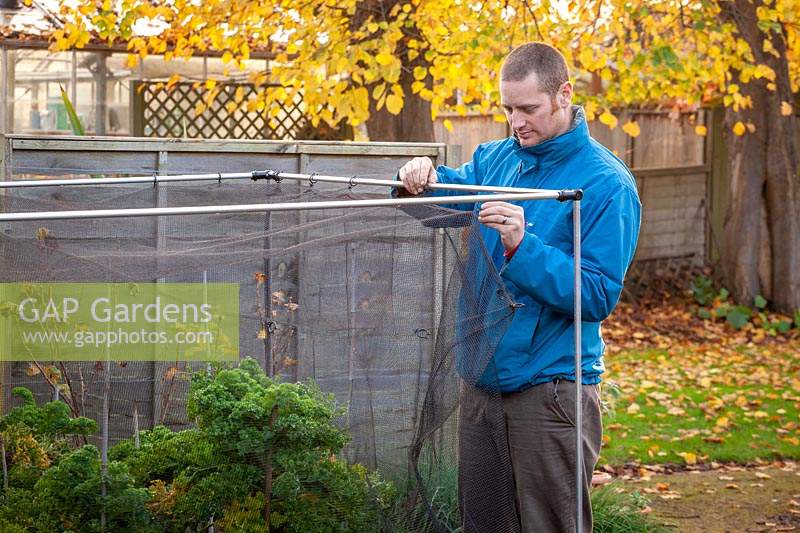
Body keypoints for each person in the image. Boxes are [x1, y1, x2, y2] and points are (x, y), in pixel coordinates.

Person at [397, 42, 641, 532]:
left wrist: (520, 247)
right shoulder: (496, 161)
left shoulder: (607, 184)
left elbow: (596, 295)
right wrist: (415, 179)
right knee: (484, 524)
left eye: (528, 108)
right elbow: (434, 206)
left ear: (564, 95)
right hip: (483, 383)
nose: (516, 121)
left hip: (550, 392)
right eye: (508, 108)